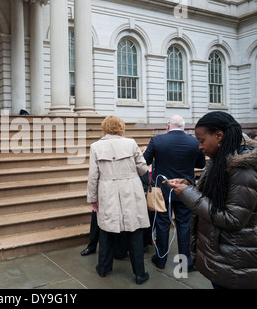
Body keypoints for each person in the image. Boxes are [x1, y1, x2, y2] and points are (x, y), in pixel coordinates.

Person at [165, 111, 257, 289]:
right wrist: (189, 185)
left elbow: (234, 219)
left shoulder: (243, 169)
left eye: (202, 140)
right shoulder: (222, 157)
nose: (200, 147)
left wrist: (188, 193)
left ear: (219, 136)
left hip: (236, 263)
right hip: (225, 257)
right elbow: (219, 192)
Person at [87, 116, 150, 285]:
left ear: (104, 128)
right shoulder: (131, 143)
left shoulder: (95, 146)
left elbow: (93, 176)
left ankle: (103, 268)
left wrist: (92, 198)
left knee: (106, 230)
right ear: (121, 127)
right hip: (131, 188)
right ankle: (140, 274)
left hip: (107, 190)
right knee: (135, 230)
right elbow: (143, 169)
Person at [143, 115, 205, 270]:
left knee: (162, 224)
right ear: (183, 127)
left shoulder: (157, 141)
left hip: (162, 190)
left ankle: (161, 259)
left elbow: (145, 161)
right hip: (186, 190)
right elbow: (201, 163)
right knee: (185, 226)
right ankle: (185, 264)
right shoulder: (194, 142)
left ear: (168, 126)